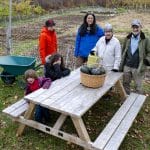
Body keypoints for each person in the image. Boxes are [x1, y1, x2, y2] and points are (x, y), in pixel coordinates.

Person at [120, 19, 150, 94]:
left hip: (138, 67)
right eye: (133, 27)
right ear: (132, 28)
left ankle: (137, 101)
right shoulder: (127, 38)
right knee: (125, 83)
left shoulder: (145, 39)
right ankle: (126, 98)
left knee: (138, 86)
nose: (135, 29)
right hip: (127, 65)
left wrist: (147, 60)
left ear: (140, 27)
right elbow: (123, 51)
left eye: (137, 27)